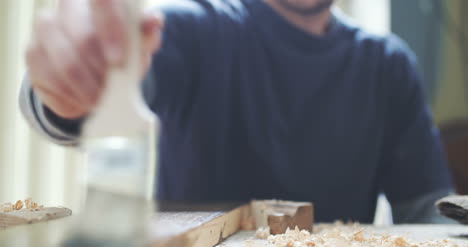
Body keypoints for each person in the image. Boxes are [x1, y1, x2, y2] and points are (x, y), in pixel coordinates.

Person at [20, 0, 454, 223]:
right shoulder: (196, 27)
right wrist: (71, 86)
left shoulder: (389, 65)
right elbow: (106, 77)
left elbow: (427, 208)